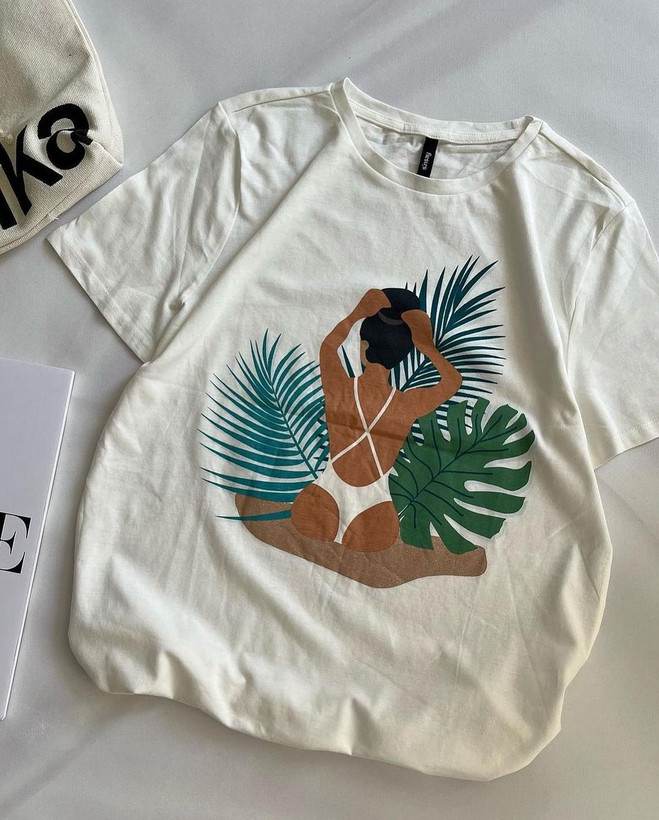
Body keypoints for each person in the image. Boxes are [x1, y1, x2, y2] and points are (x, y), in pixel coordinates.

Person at [291, 287, 463, 551]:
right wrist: (426, 346)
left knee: (307, 523)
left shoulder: (340, 389)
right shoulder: (406, 405)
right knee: (375, 541)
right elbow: (452, 382)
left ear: (363, 347)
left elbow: (328, 347)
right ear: (403, 356)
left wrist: (356, 314)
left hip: (324, 494)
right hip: (374, 505)